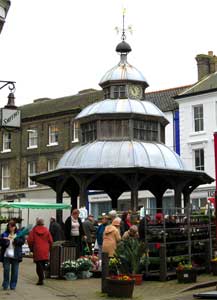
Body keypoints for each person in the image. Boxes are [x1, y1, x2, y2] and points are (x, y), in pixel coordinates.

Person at [0, 220, 25, 290]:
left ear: (15, 227)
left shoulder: (19, 234)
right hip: (6, 255)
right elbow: (1, 242)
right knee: (6, 270)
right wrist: (5, 240)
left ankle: (13, 285)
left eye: (12, 227)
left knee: (15, 271)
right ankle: (5, 284)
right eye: (9, 227)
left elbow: (22, 242)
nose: (10, 228)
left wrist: (15, 240)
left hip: (16, 255)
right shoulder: (4, 233)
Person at [27, 218, 53, 285]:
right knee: (43, 263)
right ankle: (42, 275)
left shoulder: (33, 230)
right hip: (45, 250)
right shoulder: (47, 230)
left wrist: (31, 248)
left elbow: (30, 240)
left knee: (39, 265)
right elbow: (51, 241)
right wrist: (49, 248)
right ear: (43, 223)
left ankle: (40, 278)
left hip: (37, 249)